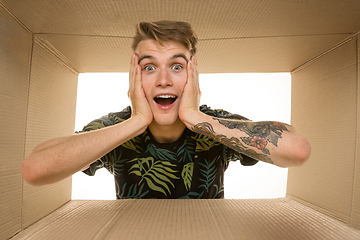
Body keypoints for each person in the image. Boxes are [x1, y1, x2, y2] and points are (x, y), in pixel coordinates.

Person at [21, 20, 311, 199]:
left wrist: (196, 118)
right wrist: (136, 121)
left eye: (176, 66)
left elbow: (296, 150)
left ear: (192, 76)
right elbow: (34, 170)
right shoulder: (116, 125)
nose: (163, 80)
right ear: (135, 77)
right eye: (149, 67)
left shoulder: (215, 123)